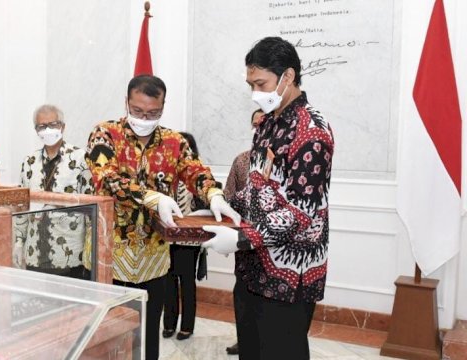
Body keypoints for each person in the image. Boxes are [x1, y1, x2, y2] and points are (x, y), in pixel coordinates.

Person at [85, 75, 240, 360]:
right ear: (127, 103)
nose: (144, 118)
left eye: (153, 113)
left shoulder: (174, 142)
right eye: (138, 111)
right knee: (107, 334)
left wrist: (214, 194)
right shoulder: (104, 133)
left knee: (148, 332)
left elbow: (195, 171)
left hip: (153, 256)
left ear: (163, 106)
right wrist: (152, 197)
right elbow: (106, 178)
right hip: (110, 254)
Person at [202, 37, 335, 360]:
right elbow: (258, 185)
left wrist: (240, 239)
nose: (255, 93)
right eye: (251, 84)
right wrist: (221, 207)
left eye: (260, 84)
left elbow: (299, 212)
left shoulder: (312, 132)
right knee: (251, 351)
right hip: (252, 270)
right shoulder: (266, 125)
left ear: (287, 77)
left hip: (288, 277)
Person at [16, 104, 94, 278]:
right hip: (34, 251)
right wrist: (18, 242)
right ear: (36, 130)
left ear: (63, 126)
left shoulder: (81, 158)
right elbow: (21, 204)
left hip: (70, 253)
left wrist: (92, 251)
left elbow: (91, 207)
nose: (48, 130)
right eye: (42, 126)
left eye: (53, 124)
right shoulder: (29, 161)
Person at [223, 108, 264, 356]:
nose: (258, 128)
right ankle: (244, 338)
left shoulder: (284, 160)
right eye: (255, 124)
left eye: (264, 123)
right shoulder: (241, 161)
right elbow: (228, 196)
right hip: (243, 242)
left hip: (273, 245)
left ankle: (262, 341)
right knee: (243, 293)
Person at [162, 131, 204, 341]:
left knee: (186, 282)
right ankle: (169, 323)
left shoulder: (198, 175)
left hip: (190, 239)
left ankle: (187, 326)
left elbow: (203, 206)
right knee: (168, 281)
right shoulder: (166, 173)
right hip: (167, 236)